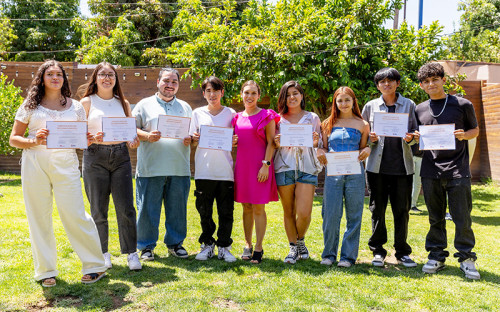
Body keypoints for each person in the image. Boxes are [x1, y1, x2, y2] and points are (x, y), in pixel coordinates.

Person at [9, 60, 107, 287]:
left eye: (59, 74)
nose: (55, 78)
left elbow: (81, 139)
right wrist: (34, 140)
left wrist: (90, 139)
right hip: (35, 162)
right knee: (39, 217)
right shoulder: (30, 105)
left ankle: (95, 265)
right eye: (50, 74)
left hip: (67, 162)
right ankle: (46, 271)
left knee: (75, 213)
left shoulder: (75, 107)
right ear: (41, 78)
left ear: (64, 79)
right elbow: (14, 138)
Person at [414, 62, 480, 280]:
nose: (431, 84)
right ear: (422, 85)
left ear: (444, 80)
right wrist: (412, 139)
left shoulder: (462, 104)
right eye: (426, 81)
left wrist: (464, 135)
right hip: (430, 170)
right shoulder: (419, 109)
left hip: (458, 170)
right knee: (435, 217)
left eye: (435, 79)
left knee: (462, 217)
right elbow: (418, 140)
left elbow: (475, 130)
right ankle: (436, 255)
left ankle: (467, 258)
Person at [80, 62, 142, 271]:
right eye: (103, 74)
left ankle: (131, 253)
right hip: (94, 157)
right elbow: (77, 135)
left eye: (111, 75)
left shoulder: (123, 103)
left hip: (120, 157)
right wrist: (89, 138)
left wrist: (133, 141)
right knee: (98, 209)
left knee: (126, 207)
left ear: (116, 79)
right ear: (95, 78)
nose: (107, 78)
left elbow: (132, 134)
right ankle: (103, 253)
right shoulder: (86, 102)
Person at [132, 67, 192, 260]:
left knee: (177, 209)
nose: (170, 85)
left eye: (174, 82)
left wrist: (191, 138)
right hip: (151, 167)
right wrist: (147, 136)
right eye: (166, 81)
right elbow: (131, 128)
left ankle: (175, 244)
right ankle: (146, 246)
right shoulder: (143, 105)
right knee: (148, 209)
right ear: (157, 82)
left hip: (179, 167)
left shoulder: (185, 107)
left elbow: (192, 133)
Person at [361, 67, 418, 268]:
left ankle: (402, 251)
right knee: (377, 209)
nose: (386, 84)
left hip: (403, 167)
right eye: (382, 82)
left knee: (402, 210)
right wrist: (370, 138)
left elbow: (416, 134)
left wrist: (411, 137)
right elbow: (363, 135)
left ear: (397, 83)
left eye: (390, 81)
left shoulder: (409, 105)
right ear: (377, 86)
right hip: (376, 168)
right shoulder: (370, 106)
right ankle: (378, 250)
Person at [318, 86, 370, 267]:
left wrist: (366, 149)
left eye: (347, 99)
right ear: (335, 103)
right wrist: (320, 151)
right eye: (340, 100)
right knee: (331, 214)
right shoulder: (327, 124)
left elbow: (363, 147)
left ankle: (348, 257)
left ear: (353, 101)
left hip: (355, 174)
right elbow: (323, 147)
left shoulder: (362, 124)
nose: (344, 103)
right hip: (333, 175)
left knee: (354, 215)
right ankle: (329, 254)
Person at [273, 81, 322, 264]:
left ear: (301, 95)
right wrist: (276, 143)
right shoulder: (277, 119)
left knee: (304, 213)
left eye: (295, 93)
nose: (291, 97)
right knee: (289, 211)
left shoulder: (312, 118)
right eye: (287, 94)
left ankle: (300, 239)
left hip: (307, 167)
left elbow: (320, 144)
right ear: (283, 98)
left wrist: (316, 142)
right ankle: (293, 247)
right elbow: (271, 144)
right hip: (284, 167)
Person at [190, 76, 237, 262]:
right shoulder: (197, 113)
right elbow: (192, 139)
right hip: (204, 170)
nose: (212, 94)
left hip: (225, 171)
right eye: (208, 91)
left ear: (222, 93)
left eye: (216, 90)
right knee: (205, 211)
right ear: (203, 93)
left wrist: (234, 141)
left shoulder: (231, 113)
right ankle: (207, 244)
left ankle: (224, 246)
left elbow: (237, 138)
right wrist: (193, 138)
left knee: (226, 211)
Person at [232, 80, 280, 264]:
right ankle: (247, 243)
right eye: (246, 92)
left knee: (259, 207)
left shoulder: (266, 116)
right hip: (242, 167)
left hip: (261, 166)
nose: (249, 96)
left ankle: (259, 246)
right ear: (241, 95)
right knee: (246, 206)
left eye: (253, 93)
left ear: (259, 95)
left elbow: (271, 143)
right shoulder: (236, 117)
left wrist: (266, 165)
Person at [411, 144, 423, 212]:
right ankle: (405, 204)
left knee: (417, 183)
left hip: (421, 157)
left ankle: (413, 205)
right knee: (407, 182)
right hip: (410, 156)